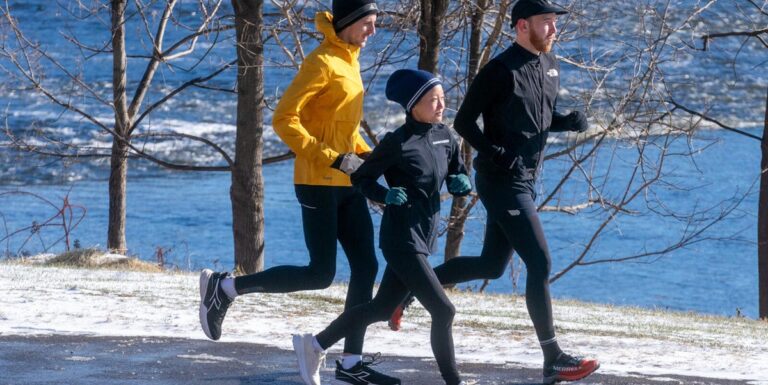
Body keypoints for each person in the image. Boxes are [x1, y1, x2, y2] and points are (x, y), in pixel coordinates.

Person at [387, 0, 599, 384]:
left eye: (554, 23)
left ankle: (407, 289)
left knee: (490, 266)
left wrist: (565, 121)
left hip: (527, 179)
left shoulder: (550, 66)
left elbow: (538, 116)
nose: (554, 30)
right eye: (546, 23)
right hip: (500, 180)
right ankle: (553, 357)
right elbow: (464, 121)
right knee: (540, 263)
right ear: (522, 26)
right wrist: (496, 153)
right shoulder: (499, 70)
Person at [198, 1, 400, 384]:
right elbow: (284, 119)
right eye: (369, 24)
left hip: (347, 181)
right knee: (319, 273)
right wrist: (331, 157)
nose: (373, 32)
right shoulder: (321, 62)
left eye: (376, 24)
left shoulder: (350, 59)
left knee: (366, 267)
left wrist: (367, 157)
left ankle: (351, 361)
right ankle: (224, 288)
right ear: (348, 23)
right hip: (317, 180)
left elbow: (340, 128)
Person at [291, 69, 474, 385]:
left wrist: (462, 183)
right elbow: (361, 177)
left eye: (443, 99)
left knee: (379, 308)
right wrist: (384, 195)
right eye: (433, 100)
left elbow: (457, 173)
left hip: (424, 234)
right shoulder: (397, 143)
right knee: (444, 311)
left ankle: (314, 344)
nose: (441, 105)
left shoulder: (447, 137)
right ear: (413, 105)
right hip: (400, 238)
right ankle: (453, 381)